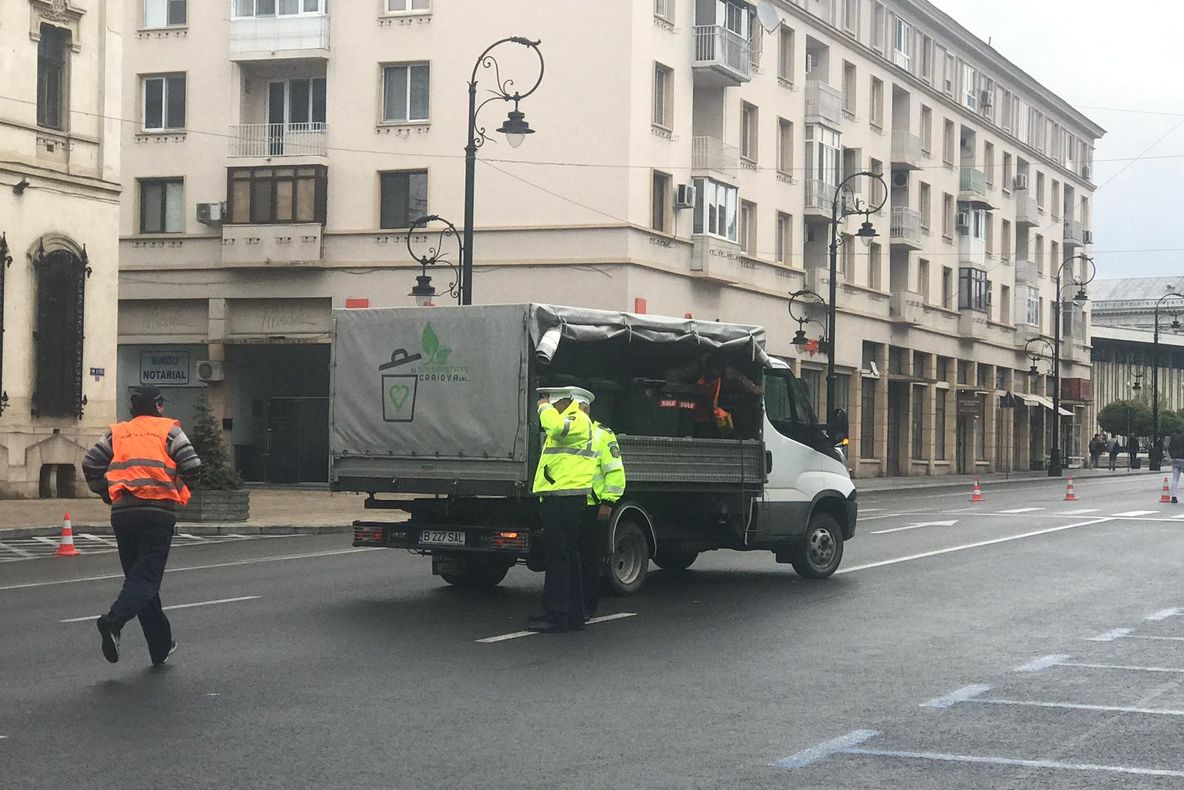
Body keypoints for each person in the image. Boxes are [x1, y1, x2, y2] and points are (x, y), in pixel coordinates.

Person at [82, 386, 201, 665]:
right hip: (157, 513)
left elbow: (90, 464)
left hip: (123, 514)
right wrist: (180, 490)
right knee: (146, 579)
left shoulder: (118, 432)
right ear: (158, 406)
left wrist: (107, 493)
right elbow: (192, 466)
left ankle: (160, 647)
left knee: (140, 579)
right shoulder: (169, 431)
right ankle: (113, 622)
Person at [527, 386, 597, 633]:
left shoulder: (578, 419)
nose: (553, 405)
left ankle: (557, 615)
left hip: (564, 499)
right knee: (565, 557)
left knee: (559, 558)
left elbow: (555, 427)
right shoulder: (576, 422)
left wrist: (543, 407)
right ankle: (571, 615)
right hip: (563, 498)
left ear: (574, 402)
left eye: (558, 401)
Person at [579, 407, 627, 620]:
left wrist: (607, 503)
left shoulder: (602, 434)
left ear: (586, 409)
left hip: (594, 506)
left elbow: (615, 472)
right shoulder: (569, 432)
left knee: (590, 559)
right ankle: (575, 605)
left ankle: (588, 606)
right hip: (571, 506)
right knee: (573, 559)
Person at [666, 353, 763, 438]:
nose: (715, 372)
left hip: (707, 417)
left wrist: (752, 387)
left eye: (719, 370)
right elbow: (671, 376)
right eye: (714, 368)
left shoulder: (726, 373)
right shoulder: (695, 368)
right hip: (687, 413)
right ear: (708, 365)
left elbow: (739, 377)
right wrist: (694, 391)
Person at [1170, 430, 1184, 504]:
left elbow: (1170, 447)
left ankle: (1174, 497)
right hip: (1183, 458)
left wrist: (1172, 457)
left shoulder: (1173, 436)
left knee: (1175, 479)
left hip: (1175, 459)